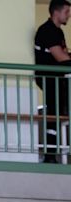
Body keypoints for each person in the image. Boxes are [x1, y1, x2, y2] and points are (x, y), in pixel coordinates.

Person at [35, 0, 71, 162]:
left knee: (59, 113)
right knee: (53, 114)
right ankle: (50, 155)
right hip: (49, 78)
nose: (69, 15)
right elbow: (61, 57)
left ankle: (57, 152)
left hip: (58, 79)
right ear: (56, 13)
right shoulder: (47, 30)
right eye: (67, 12)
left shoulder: (58, 32)